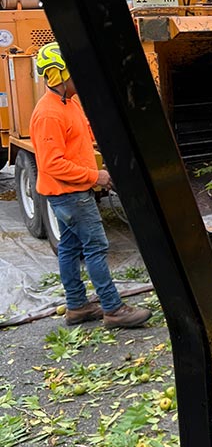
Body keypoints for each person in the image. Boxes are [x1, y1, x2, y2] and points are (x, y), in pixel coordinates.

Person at [29, 42, 152, 329]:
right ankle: (113, 309)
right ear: (58, 75)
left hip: (72, 192)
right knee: (96, 247)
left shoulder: (68, 103)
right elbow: (52, 164)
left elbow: (83, 136)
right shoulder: (48, 114)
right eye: (75, 73)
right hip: (69, 195)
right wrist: (95, 177)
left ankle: (77, 307)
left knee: (70, 248)